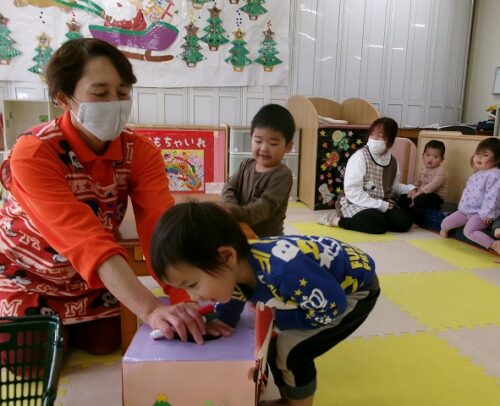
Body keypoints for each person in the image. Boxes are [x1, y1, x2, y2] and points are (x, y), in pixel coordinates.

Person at [0, 38, 229, 354]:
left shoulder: (140, 151)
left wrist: (186, 300)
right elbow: (86, 240)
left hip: (92, 282)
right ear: (63, 98)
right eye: (100, 94)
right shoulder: (35, 153)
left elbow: (161, 228)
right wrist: (151, 309)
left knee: (108, 342)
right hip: (28, 275)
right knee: (28, 355)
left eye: (122, 93)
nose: (114, 103)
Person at [150, 202, 380, 406]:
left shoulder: (283, 272)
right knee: (274, 343)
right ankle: (288, 396)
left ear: (227, 256)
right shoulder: (236, 269)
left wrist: (283, 318)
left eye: (193, 284)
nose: (193, 296)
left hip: (353, 291)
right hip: (319, 285)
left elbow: (333, 305)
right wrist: (220, 321)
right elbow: (234, 298)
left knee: (292, 350)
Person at [317, 117, 415, 234]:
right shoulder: (360, 157)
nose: (373, 139)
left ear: (390, 141)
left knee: (404, 222)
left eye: (380, 136)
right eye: (372, 134)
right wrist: (380, 205)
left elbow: (394, 188)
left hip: (380, 203)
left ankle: (370, 221)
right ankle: (335, 220)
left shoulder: (393, 162)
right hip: (355, 202)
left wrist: (411, 189)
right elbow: (353, 192)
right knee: (378, 223)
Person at [222, 104, 295, 237]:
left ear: (288, 147)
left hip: (267, 239)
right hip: (240, 229)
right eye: (258, 141)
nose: (264, 148)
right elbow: (229, 187)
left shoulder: (282, 175)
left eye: (273, 143)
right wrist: (230, 205)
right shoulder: (246, 164)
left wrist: (236, 212)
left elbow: (265, 207)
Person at [440, 137, 500, 256]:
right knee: (445, 224)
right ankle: (444, 232)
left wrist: (486, 214)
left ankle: (494, 245)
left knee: (469, 231)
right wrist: (462, 208)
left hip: (480, 213)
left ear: (498, 159)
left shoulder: (495, 174)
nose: (479, 157)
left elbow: (493, 196)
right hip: (465, 211)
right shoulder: (478, 172)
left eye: (485, 155)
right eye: (477, 154)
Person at [406, 140, 448, 226]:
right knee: (405, 197)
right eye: (428, 155)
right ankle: (406, 216)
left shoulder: (441, 171)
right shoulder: (424, 170)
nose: (430, 159)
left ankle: (417, 222)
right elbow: (417, 183)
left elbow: (433, 185)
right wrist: (413, 190)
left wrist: (417, 194)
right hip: (422, 194)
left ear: (442, 159)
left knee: (419, 199)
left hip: (436, 197)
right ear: (423, 155)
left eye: (435, 157)